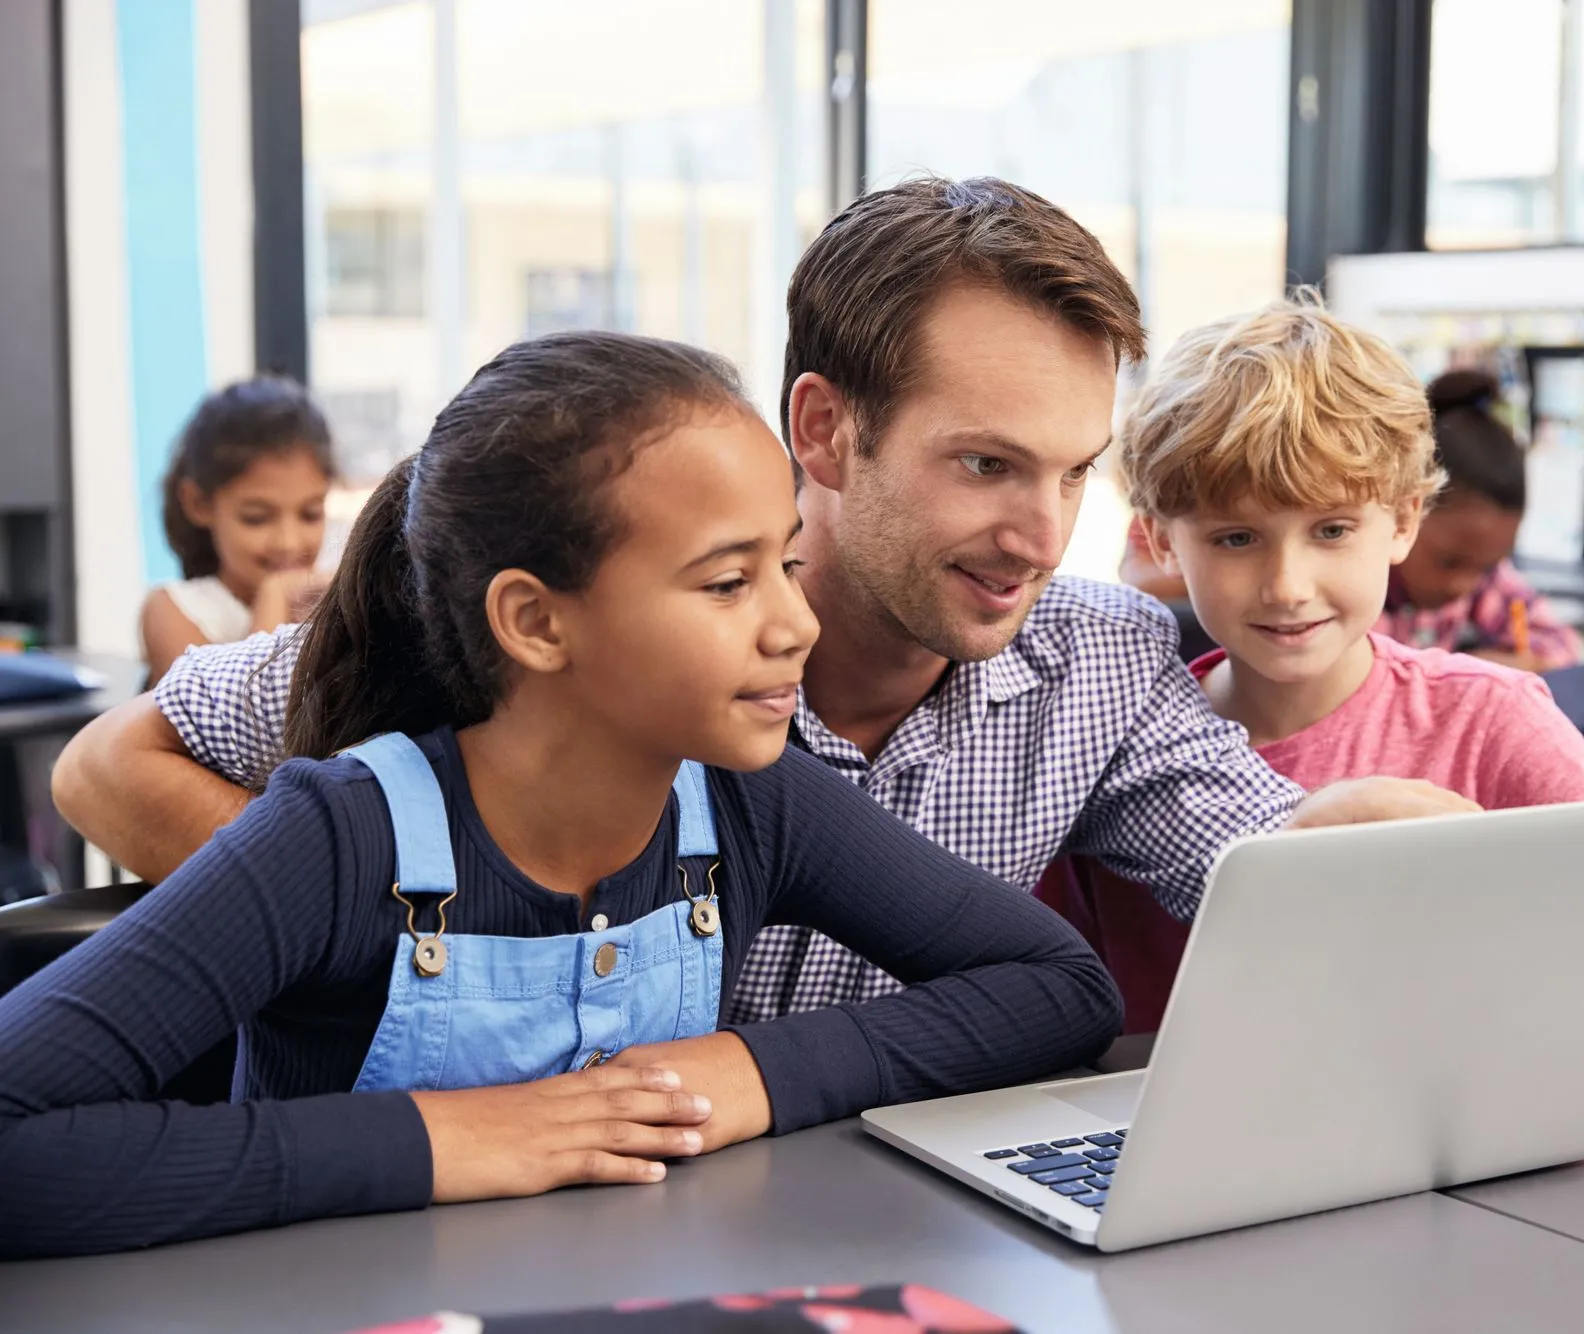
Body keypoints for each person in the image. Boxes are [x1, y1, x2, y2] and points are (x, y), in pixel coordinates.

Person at [52, 177, 1474, 1026]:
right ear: (827, 431)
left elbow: (1256, 852)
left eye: (1073, 472)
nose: (1041, 535)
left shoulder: (1101, 661)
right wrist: (364, 937)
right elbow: (110, 762)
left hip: (829, 1203)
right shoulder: (615, 624)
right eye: (985, 463)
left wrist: (1396, 840)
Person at [0, 332, 1121, 1259]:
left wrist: (747, 1071)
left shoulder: (752, 801)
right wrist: (446, 1138)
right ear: (535, 620)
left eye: (783, 563)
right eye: (728, 582)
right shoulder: (338, 838)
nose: (795, 623)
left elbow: (1058, 987)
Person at [1039, 295, 1584, 1038]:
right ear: (1160, 543)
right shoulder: (1114, 738)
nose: (1288, 585)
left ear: (1405, 521)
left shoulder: (1487, 719)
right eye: (1235, 540)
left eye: (1332, 530)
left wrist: (1482, 890)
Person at [1377, 369, 1579, 672]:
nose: (1463, 585)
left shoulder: (1483, 583)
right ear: (1402, 514)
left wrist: (1494, 667)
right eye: (1449, 562)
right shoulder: (1358, 592)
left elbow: (1559, 642)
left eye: (1485, 567)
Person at [142, 377, 335, 684]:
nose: (289, 542)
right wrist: (274, 599)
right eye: (257, 518)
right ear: (198, 504)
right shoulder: (174, 611)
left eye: (310, 514)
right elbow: (244, 723)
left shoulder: (330, 601)